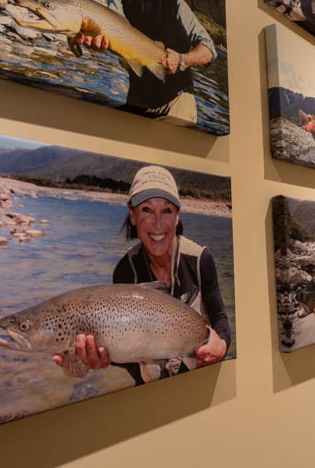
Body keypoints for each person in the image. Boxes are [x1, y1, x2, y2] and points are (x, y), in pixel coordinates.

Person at [54, 165, 230, 385]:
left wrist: (221, 344)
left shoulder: (200, 259)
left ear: (177, 217)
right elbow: (128, 347)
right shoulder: (125, 270)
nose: (158, 223)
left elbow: (220, 317)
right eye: (146, 209)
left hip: (199, 382)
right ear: (132, 215)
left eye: (167, 210)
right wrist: (102, 358)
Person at [76, 0, 216, 122]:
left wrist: (183, 60)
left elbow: (209, 49)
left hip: (177, 101)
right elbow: (111, 28)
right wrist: (96, 38)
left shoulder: (176, 3)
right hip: (138, 100)